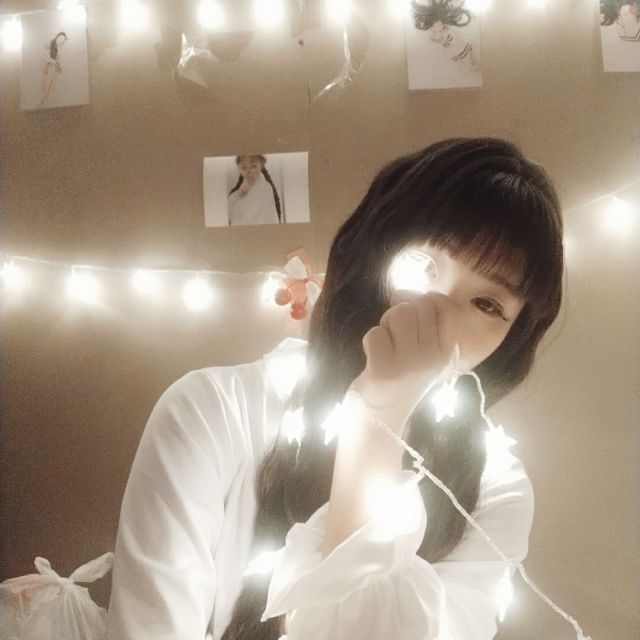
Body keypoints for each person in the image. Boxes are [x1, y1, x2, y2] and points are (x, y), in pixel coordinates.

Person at [106, 137, 564, 640]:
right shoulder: (212, 411)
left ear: (510, 339)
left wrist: (380, 417)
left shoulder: (494, 485)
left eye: (487, 305)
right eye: (424, 267)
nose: (440, 313)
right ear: (372, 254)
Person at [227, 155, 282, 226]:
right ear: (239, 168)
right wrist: (239, 195)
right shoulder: (237, 192)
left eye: (253, 166)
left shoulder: (265, 187)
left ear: (261, 166)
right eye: (244, 167)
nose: (248, 171)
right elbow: (229, 214)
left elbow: (262, 215)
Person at [40, 32, 68, 108]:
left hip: (56, 69)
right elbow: (45, 55)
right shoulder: (50, 44)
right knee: (46, 85)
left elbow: (58, 61)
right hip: (49, 67)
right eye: (60, 39)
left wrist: (58, 65)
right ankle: (43, 102)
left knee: (52, 86)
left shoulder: (59, 49)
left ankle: (46, 102)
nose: (61, 42)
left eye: (63, 40)